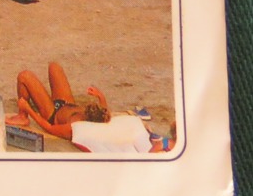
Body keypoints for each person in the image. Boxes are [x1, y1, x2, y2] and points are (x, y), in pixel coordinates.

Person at [12, 62, 170, 153]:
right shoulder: (101, 118)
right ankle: (27, 109)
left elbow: (48, 127)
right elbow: (106, 111)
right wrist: (101, 97)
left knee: (25, 76)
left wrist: (28, 109)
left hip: (52, 114)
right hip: (67, 103)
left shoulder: (76, 127)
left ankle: (22, 117)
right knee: (55, 66)